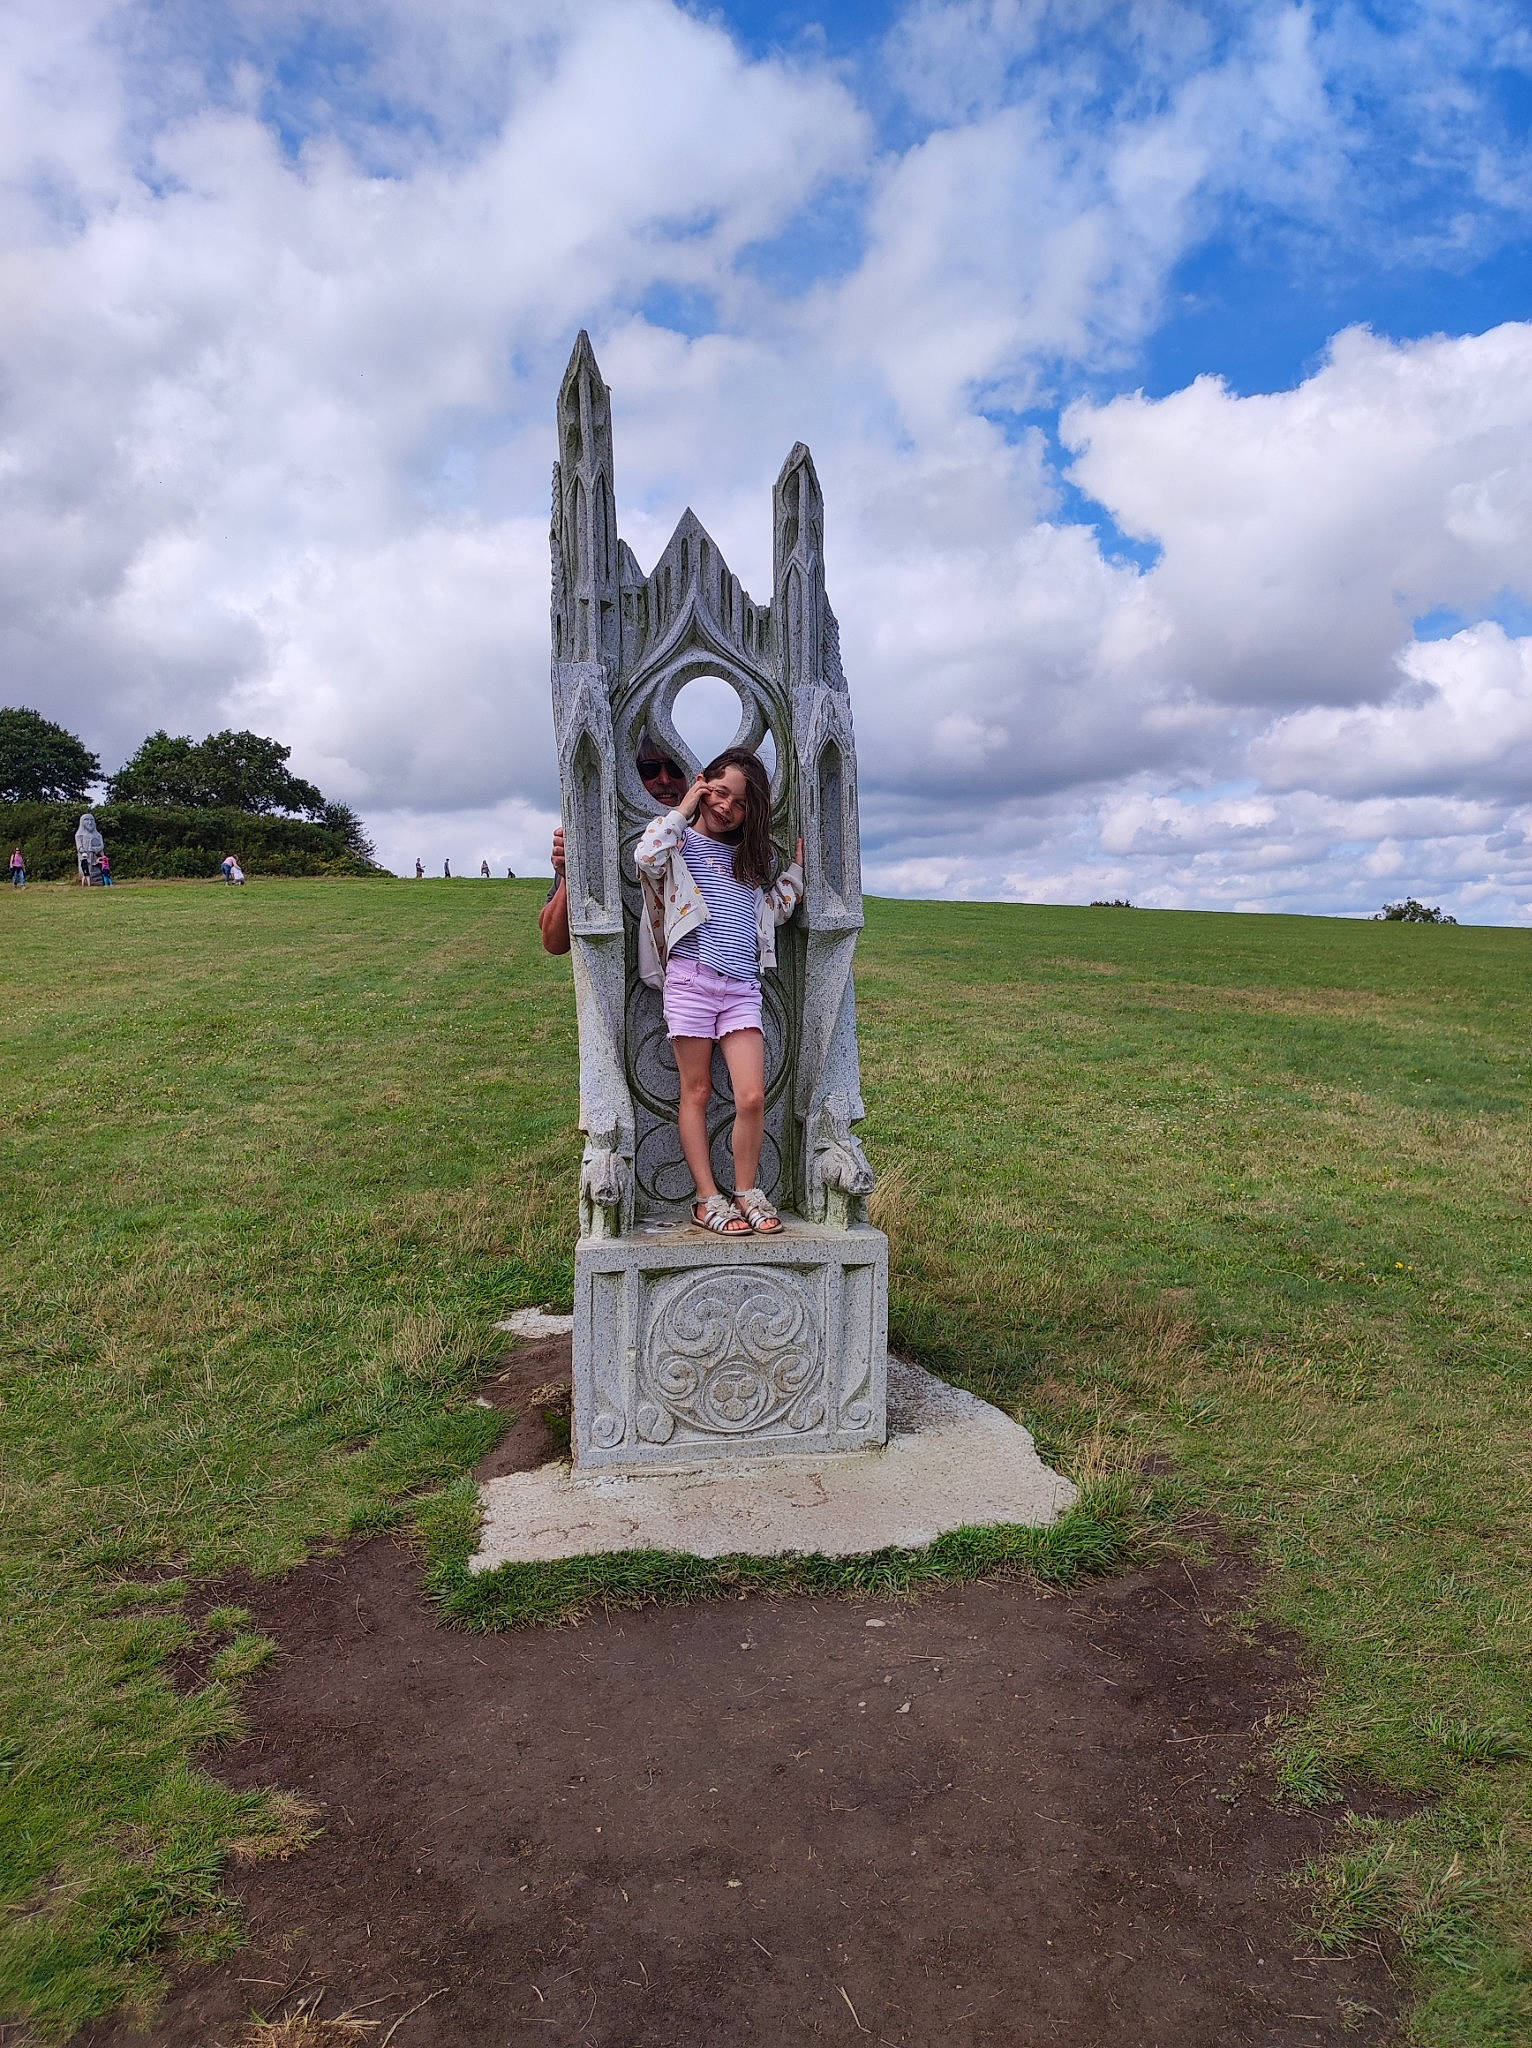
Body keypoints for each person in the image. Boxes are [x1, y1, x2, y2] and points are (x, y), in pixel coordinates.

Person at [635, 748, 802, 1235]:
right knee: (698, 1090)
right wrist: (686, 806)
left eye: (740, 802)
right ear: (704, 784)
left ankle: (746, 1192)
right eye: (720, 792)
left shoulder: (750, 858)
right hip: (690, 981)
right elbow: (645, 855)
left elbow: (770, 911)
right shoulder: (680, 844)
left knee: (751, 1096)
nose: (726, 807)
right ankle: (707, 1200)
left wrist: (795, 873)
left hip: (741, 987)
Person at [539, 736, 688, 955]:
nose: (665, 779)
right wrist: (572, 875)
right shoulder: (598, 835)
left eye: (675, 767)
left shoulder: (707, 834)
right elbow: (554, 942)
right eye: (649, 770)